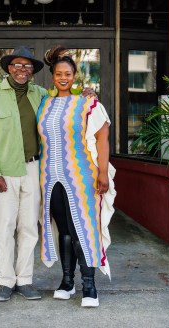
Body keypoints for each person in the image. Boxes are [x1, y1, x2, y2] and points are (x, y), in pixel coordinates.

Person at [37, 45, 116, 308]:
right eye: (58, 73)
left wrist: (103, 172)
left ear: (74, 76)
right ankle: (67, 281)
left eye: (68, 74)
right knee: (64, 230)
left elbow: (102, 137)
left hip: (82, 177)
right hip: (50, 176)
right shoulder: (44, 103)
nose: (63, 77)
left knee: (83, 228)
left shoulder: (87, 102)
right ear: (53, 76)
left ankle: (90, 285)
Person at [0, 45, 46, 302]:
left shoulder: (40, 94)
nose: (22, 69)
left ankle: (25, 280)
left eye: (27, 66)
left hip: (33, 170)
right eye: (17, 65)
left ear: (32, 71)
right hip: (4, 172)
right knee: (5, 228)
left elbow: (64, 108)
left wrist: (85, 94)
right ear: (8, 68)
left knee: (29, 227)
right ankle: (6, 281)